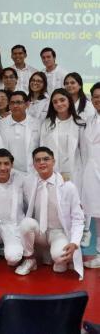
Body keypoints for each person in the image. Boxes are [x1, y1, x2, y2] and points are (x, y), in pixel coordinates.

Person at [16, 147, 84, 279]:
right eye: (38, 160)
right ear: (34, 164)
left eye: (46, 159)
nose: (42, 163)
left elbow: (78, 218)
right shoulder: (29, 183)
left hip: (58, 232)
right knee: (26, 223)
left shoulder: (68, 186)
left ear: (53, 161)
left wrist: (75, 242)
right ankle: (30, 259)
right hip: (39, 232)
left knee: (60, 258)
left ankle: (57, 257)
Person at [39, 88, 85, 184]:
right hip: (53, 171)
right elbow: (42, 149)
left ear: (69, 101)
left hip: (74, 171)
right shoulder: (46, 124)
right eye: (55, 102)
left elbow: (84, 151)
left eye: (62, 100)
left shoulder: (80, 123)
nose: (59, 104)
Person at [0, 91, 40, 174]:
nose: (15, 106)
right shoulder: (1, 124)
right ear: (9, 105)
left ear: (27, 104)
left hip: (32, 172)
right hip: (9, 172)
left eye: (19, 102)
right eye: (12, 103)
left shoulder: (37, 123)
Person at [82, 83, 100, 267]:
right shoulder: (91, 119)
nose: (98, 100)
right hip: (93, 173)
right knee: (98, 217)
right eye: (95, 96)